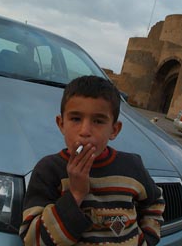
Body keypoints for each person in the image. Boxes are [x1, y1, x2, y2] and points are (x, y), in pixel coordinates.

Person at [19, 75, 165, 245]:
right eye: (75, 119)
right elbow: (33, 240)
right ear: (61, 124)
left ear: (114, 130)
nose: (85, 131)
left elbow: (154, 202)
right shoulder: (49, 170)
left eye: (98, 121)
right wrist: (75, 194)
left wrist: (148, 238)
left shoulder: (132, 166)